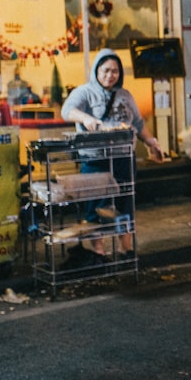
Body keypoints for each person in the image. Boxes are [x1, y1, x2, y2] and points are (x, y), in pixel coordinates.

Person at [61, 48, 164, 257]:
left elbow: (137, 123)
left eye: (115, 71)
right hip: (95, 159)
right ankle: (97, 249)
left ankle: (126, 247)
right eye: (105, 70)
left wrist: (152, 142)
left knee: (125, 203)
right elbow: (67, 110)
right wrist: (85, 118)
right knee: (95, 203)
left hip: (124, 157)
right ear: (97, 71)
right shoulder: (84, 92)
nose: (110, 75)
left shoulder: (125, 95)